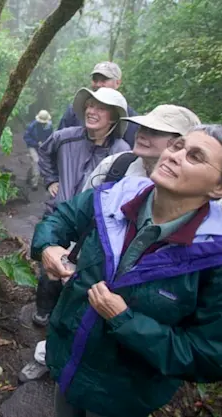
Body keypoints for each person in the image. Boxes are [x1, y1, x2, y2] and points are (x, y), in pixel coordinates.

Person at [33, 124, 222, 417]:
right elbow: (61, 217)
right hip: (68, 361)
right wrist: (48, 246)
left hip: (125, 394)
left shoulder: (218, 265)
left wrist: (125, 321)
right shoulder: (112, 198)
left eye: (195, 157)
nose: (174, 156)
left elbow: (212, 356)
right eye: (177, 146)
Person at [33, 87, 131, 327]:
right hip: (59, 214)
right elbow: (44, 153)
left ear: (114, 118)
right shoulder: (65, 136)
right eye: (89, 105)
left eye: (100, 108)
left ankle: (64, 320)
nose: (91, 111)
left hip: (94, 225)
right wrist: (51, 180)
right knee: (50, 266)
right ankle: (43, 312)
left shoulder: (123, 152)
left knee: (78, 274)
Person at [82, 104, 201, 191]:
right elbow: (79, 215)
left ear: (180, 144)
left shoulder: (196, 187)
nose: (142, 135)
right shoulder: (113, 165)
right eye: (142, 128)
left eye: (155, 131)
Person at [58, 62, 139, 148]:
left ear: (118, 83)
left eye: (104, 80)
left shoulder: (130, 118)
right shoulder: (74, 110)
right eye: (95, 80)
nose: (98, 84)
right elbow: (58, 144)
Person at [24, 110, 54, 189]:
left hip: (43, 146)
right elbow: (26, 137)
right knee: (36, 161)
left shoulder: (49, 126)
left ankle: (29, 177)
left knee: (40, 163)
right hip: (32, 146)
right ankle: (34, 184)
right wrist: (36, 143)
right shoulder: (32, 126)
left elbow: (51, 136)